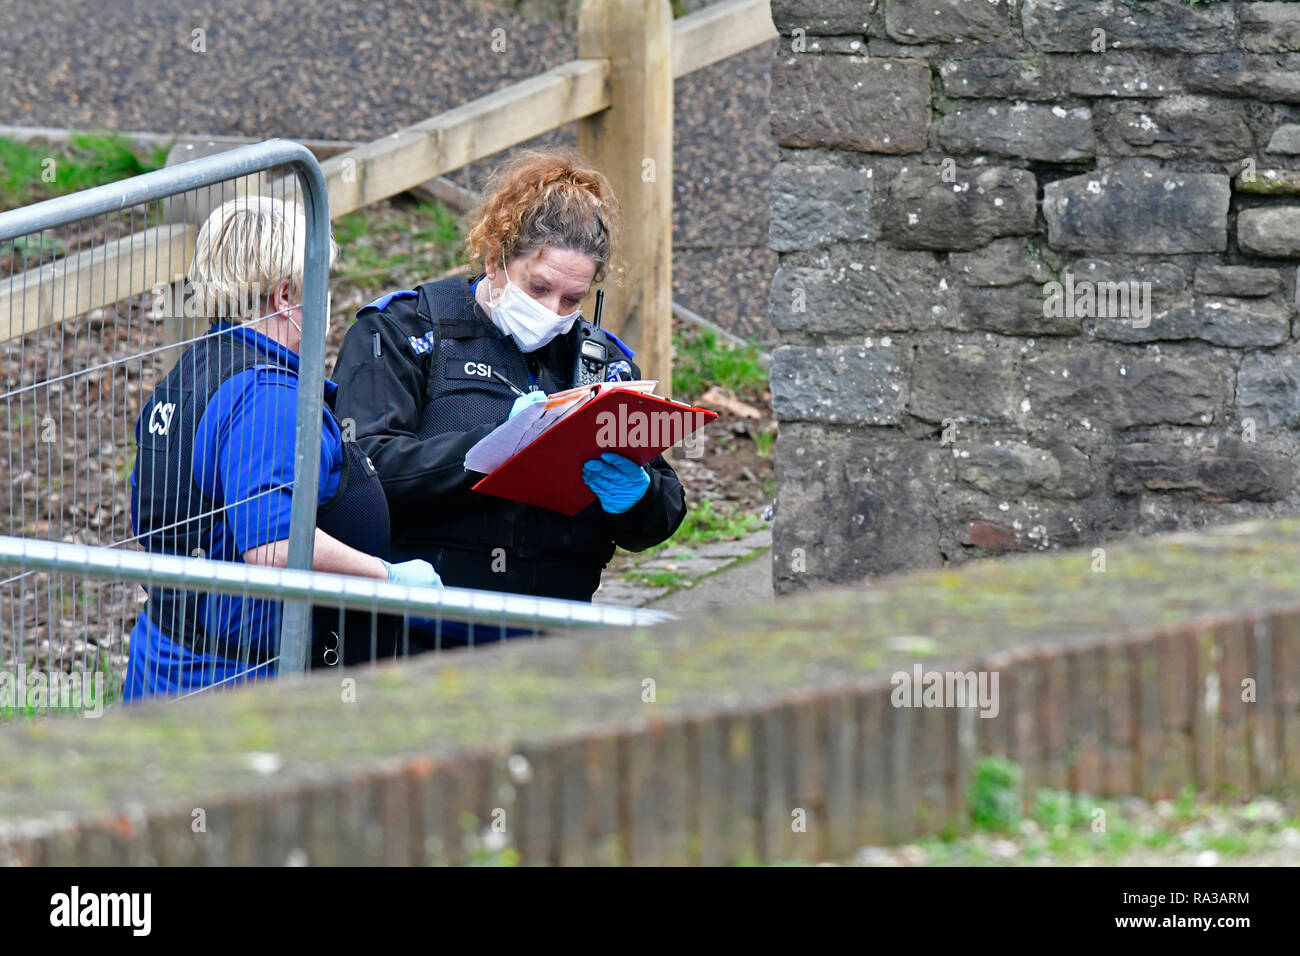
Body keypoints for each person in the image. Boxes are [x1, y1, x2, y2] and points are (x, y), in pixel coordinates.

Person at [331, 148, 687, 616]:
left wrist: (639, 497)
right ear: (496, 259)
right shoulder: (405, 331)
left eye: (572, 298)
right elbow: (362, 471)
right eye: (538, 288)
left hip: (557, 626)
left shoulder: (602, 363)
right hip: (426, 618)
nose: (552, 311)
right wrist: (491, 448)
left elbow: (657, 518)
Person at [125, 196, 438, 700]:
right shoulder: (268, 400)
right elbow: (272, 546)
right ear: (286, 293)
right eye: (322, 285)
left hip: (168, 660)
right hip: (237, 688)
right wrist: (389, 577)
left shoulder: (193, 371)